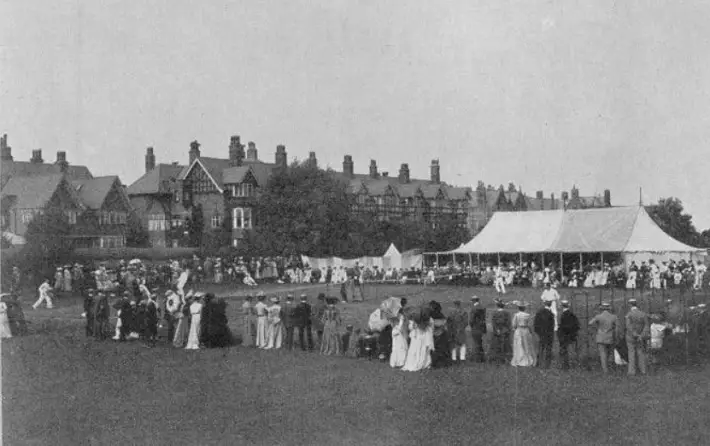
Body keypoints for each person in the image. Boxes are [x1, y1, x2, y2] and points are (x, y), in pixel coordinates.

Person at [588, 302, 618, 373]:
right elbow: (617, 328)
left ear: (602, 309)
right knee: (610, 353)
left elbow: (590, 323)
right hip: (610, 336)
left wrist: (597, 328)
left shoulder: (598, 316)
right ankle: (611, 367)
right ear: (609, 308)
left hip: (601, 336)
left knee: (603, 353)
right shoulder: (613, 317)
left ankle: (605, 370)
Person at [402, 307, 434, 372]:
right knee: (424, 351)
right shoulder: (429, 320)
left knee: (415, 351)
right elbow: (431, 329)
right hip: (424, 338)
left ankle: (414, 363)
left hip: (416, 338)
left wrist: (413, 325)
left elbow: (410, 328)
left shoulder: (415, 321)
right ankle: (425, 363)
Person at [625, 298, 650, 376]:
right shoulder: (643, 314)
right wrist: (642, 335)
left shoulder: (629, 314)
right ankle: (643, 370)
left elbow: (628, 326)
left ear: (629, 304)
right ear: (636, 304)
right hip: (641, 336)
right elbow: (646, 325)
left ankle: (632, 371)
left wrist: (634, 333)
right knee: (641, 353)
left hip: (631, 337)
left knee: (631, 353)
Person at [511, 302, 536, 367]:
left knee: (519, 344)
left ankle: (519, 360)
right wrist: (531, 331)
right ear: (524, 308)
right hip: (525, 330)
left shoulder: (516, 315)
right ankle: (527, 359)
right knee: (526, 345)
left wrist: (515, 328)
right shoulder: (527, 315)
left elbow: (514, 324)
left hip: (518, 330)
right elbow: (529, 324)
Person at [557, 300, 580, 370]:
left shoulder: (562, 315)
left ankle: (565, 366)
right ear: (568, 305)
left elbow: (561, 326)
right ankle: (573, 365)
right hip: (572, 336)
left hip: (564, 336)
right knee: (572, 351)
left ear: (561, 306)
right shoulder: (572, 314)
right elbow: (577, 325)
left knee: (564, 351)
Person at [534, 300, 556, 368]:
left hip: (541, 334)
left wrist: (538, 333)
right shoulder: (551, 314)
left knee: (540, 348)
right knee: (548, 349)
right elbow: (552, 326)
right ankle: (547, 365)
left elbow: (535, 324)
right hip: (549, 334)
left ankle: (538, 363)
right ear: (550, 305)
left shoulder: (539, 312)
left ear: (544, 304)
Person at [429, 301, 451, 368]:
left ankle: (434, 363)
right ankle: (443, 363)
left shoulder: (430, 315)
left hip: (433, 334)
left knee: (433, 349)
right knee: (442, 349)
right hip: (441, 334)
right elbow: (445, 326)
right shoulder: (441, 315)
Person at [489, 299, 512, 365]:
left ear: (497, 306)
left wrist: (496, 330)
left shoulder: (495, 313)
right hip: (504, 330)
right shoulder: (507, 313)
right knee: (505, 345)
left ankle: (495, 358)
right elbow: (508, 323)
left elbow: (493, 322)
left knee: (495, 344)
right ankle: (505, 358)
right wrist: (506, 330)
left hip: (496, 330)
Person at [469, 296, 487, 363]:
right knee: (479, 342)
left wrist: (471, 325)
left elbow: (471, 320)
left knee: (476, 343)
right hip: (481, 327)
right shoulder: (482, 307)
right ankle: (482, 358)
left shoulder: (474, 308)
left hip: (475, 327)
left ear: (473, 301)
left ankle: (477, 359)